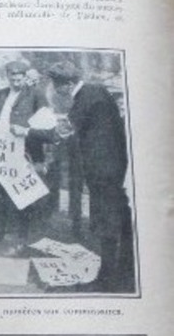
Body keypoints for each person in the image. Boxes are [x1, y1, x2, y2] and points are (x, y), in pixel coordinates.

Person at [47, 61, 136, 292]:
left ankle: (107, 279)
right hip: (115, 169)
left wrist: (48, 134)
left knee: (106, 224)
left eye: (57, 86)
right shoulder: (98, 92)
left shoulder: (85, 100)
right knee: (121, 222)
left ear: (67, 84)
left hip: (102, 173)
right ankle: (124, 273)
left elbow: (72, 134)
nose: (56, 91)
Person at [0, 59, 50, 256]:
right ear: (8, 77)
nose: (16, 80)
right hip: (0, 153)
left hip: (25, 153)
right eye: (12, 77)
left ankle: (20, 239)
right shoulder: (1, 95)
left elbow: (48, 130)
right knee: (0, 195)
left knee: (22, 196)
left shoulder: (36, 96)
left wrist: (27, 131)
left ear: (25, 77)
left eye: (19, 77)